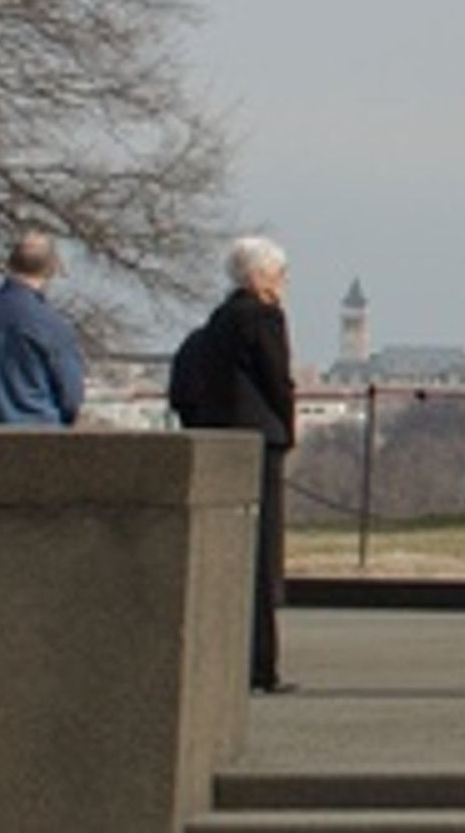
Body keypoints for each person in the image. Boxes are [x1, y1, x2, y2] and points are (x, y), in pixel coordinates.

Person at [166, 236, 301, 693]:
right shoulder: (263, 318)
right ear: (261, 277)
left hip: (221, 436)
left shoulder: (216, 322)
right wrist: (286, 425)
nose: (284, 285)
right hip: (259, 439)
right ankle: (261, 665)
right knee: (262, 559)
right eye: (281, 275)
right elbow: (277, 380)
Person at [0, 233, 88, 426]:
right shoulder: (51, 325)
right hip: (35, 437)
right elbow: (71, 397)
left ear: (11, 264)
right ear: (52, 268)